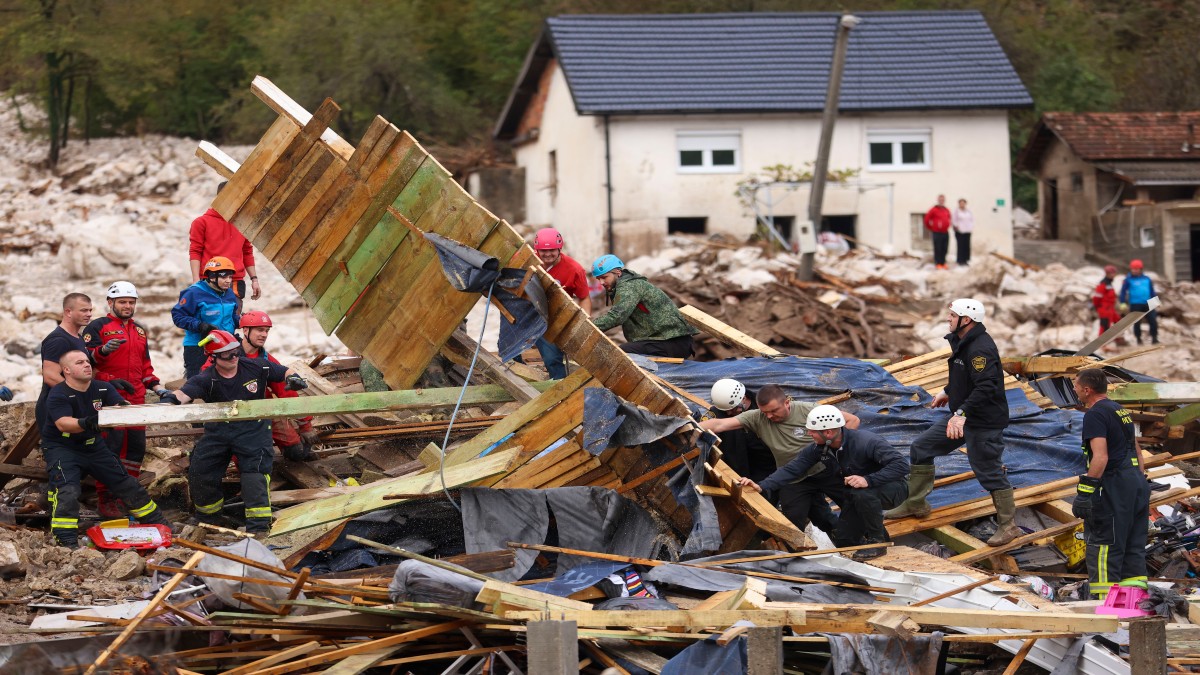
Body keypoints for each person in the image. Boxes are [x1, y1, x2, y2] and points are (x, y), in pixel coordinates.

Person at [885, 298, 1021, 546]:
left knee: (988, 472)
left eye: (951, 315)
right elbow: (965, 376)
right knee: (921, 448)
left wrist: (962, 414)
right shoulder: (962, 341)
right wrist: (947, 391)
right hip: (963, 416)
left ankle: (1008, 526)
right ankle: (916, 503)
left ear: (966, 320)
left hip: (983, 422)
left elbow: (987, 386)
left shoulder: (980, 348)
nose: (947, 319)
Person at [159, 329, 308, 534]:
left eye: (236, 352)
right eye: (228, 354)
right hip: (219, 431)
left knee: (254, 476)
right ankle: (208, 519)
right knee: (201, 470)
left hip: (253, 430)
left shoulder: (255, 366)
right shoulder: (206, 379)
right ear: (214, 357)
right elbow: (183, 394)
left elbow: (283, 371)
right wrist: (168, 401)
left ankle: (259, 528)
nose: (234, 357)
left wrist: (295, 378)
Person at [737, 405, 909, 561]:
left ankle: (878, 543)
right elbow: (793, 469)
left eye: (812, 431)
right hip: (858, 494)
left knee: (862, 493)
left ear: (828, 432)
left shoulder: (867, 442)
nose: (809, 435)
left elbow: (902, 465)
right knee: (844, 540)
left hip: (893, 489)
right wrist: (762, 485)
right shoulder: (821, 448)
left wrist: (868, 480)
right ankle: (880, 544)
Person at [43, 350, 170, 547]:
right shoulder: (58, 393)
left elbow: (121, 406)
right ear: (66, 370)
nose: (87, 365)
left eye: (87, 361)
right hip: (63, 448)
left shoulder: (102, 388)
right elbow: (63, 424)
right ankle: (66, 540)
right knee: (68, 491)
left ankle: (159, 524)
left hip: (94, 447)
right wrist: (87, 422)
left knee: (127, 484)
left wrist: (121, 407)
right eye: (79, 362)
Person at [700, 385, 861, 537]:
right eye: (765, 412)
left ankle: (872, 539)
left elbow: (852, 420)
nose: (769, 416)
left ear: (786, 402)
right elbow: (719, 424)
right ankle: (794, 556)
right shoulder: (757, 417)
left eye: (774, 411)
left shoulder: (809, 410)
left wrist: (834, 448)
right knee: (792, 522)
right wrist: (687, 425)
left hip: (826, 469)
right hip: (793, 477)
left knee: (854, 504)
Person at [82, 281, 166, 517]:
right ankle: (106, 499)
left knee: (135, 450)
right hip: (109, 397)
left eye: (131, 302)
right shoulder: (97, 327)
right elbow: (84, 362)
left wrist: (159, 389)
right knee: (111, 449)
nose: (128, 306)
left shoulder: (139, 331)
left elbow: (145, 366)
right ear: (110, 303)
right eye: (123, 302)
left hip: (136, 398)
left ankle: (129, 497)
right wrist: (103, 353)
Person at [1071, 368, 1149, 598]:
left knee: (1105, 545)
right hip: (1135, 484)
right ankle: (1133, 605)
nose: (1074, 390)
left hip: (1113, 486)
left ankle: (1106, 609)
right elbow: (1137, 451)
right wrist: (1137, 481)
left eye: (1076, 386)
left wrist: (1085, 492)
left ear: (1087, 390)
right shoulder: (1120, 411)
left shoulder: (1095, 414)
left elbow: (1101, 457)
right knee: (1132, 547)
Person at [204, 310, 320, 461]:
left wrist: (305, 425)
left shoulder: (267, 360)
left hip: (264, 411)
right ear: (245, 330)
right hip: (233, 415)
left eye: (266, 331)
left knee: (296, 452)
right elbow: (205, 379)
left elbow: (286, 392)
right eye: (259, 330)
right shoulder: (224, 354)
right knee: (243, 458)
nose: (264, 335)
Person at [590, 254, 697, 358]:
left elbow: (617, 316)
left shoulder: (629, 287)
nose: (601, 282)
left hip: (673, 341)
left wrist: (588, 327)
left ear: (617, 272)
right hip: (666, 341)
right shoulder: (626, 284)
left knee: (622, 354)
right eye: (598, 279)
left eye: (604, 277)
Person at [38, 293, 106, 429]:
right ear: (68, 312)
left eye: (90, 310)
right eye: (83, 310)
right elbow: (50, 377)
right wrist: (82, 395)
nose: (89, 314)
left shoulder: (78, 338)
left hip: (72, 405)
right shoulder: (58, 340)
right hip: (58, 409)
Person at [531, 228, 592, 379]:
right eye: (542, 251)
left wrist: (584, 322)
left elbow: (584, 297)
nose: (547, 254)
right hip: (528, 310)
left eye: (552, 250)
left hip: (553, 317)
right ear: (536, 249)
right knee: (511, 352)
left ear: (559, 248)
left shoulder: (574, 269)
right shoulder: (528, 260)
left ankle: (559, 388)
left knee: (552, 358)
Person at [190, 182, 261, 302]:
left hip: (235, 282)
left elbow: (247, 252)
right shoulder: (201, 222)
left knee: (233, 319)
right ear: (220, 198)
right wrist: (196, 280)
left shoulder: (243, 223)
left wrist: (254, 279)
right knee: (209, 320)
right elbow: (195, 251)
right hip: (209, 281)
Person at [172, 256, 242, 379]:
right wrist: (200, 326)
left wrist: (243, 321)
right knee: (198, 384)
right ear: (212, 276)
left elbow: (232, 317)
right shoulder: (194, 293)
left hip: (225, 346)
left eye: (230, 277)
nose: (228, 281)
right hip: (198, 347)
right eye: (224, 276)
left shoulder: (230, 293)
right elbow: (178, 316)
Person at [707, 379, 775, 483]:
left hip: (764, 463)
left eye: (733, 409)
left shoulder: (763, 405)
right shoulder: (717, 412)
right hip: (735, 465)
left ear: (743, 398)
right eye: (726, 411)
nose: (729, 413)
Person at [1119, 259, 1158, 345]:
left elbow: (1151, 291)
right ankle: (1138, 339)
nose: (1134, 271)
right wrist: (1122, 302)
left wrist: (1155, 301)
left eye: (1136, 269)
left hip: (1148, 303)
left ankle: (1154, 338)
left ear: (1140, 269)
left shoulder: (1147, 279)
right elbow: (1123, 292)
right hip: (1135, 304)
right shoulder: (1128, 280)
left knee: (1153, 321)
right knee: (1137, 322)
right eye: (1133, 269)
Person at [1091, 265, 1122, 338]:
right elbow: (1097, 297)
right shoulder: (1103, 284)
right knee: (1105, 325)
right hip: (1104, 308)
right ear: (1107, 274)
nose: (1114, 275)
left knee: (1118, 322)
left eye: (1114, 273)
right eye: (1112, 273)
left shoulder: (1109, 283)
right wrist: (1097, 306)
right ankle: (1101, 343)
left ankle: (1117, 338)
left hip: (1110, 308)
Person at [924, 195, 952, 270]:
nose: (941, 201)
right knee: (938, 248)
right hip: (937, 232)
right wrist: (931, 228)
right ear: (938, 200)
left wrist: (947, 225)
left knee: (945, 248)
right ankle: (938, 263)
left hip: (945, 232)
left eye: (943, 200)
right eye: (940, 199)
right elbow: (926, 219)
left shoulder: (946, 209)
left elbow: (949, 218)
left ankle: (943, 263)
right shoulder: (933, 209)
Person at [952, 198, 973, 266]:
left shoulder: (968, 211)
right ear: (959, 204)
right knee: (960, 246)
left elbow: (971, 219)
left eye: (963, 203)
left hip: (967, 231)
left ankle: (966, 260)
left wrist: (971, 227)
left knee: (966, 246)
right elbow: (954, 220)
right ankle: (960, 260)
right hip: (960, 231)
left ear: (965, 204)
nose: (962, 204)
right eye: (961, 203)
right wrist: (956, 226)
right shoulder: (957, 211)